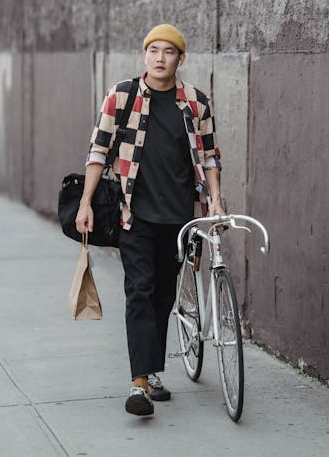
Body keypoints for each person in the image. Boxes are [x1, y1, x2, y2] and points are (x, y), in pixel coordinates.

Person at [75, 23, 225, 416]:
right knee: (139, 291)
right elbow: (98, 150)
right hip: (134, 216)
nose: (160, 58)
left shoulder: (195, 103)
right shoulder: (122, 96)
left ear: (181, 58)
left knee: (163, 296)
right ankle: (139, 383)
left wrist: (215, 202)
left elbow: (209, 157)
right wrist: (86, 202)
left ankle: (152, 371)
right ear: (145, 55)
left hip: (178, 219)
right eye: (153, 50)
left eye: (168, 51)